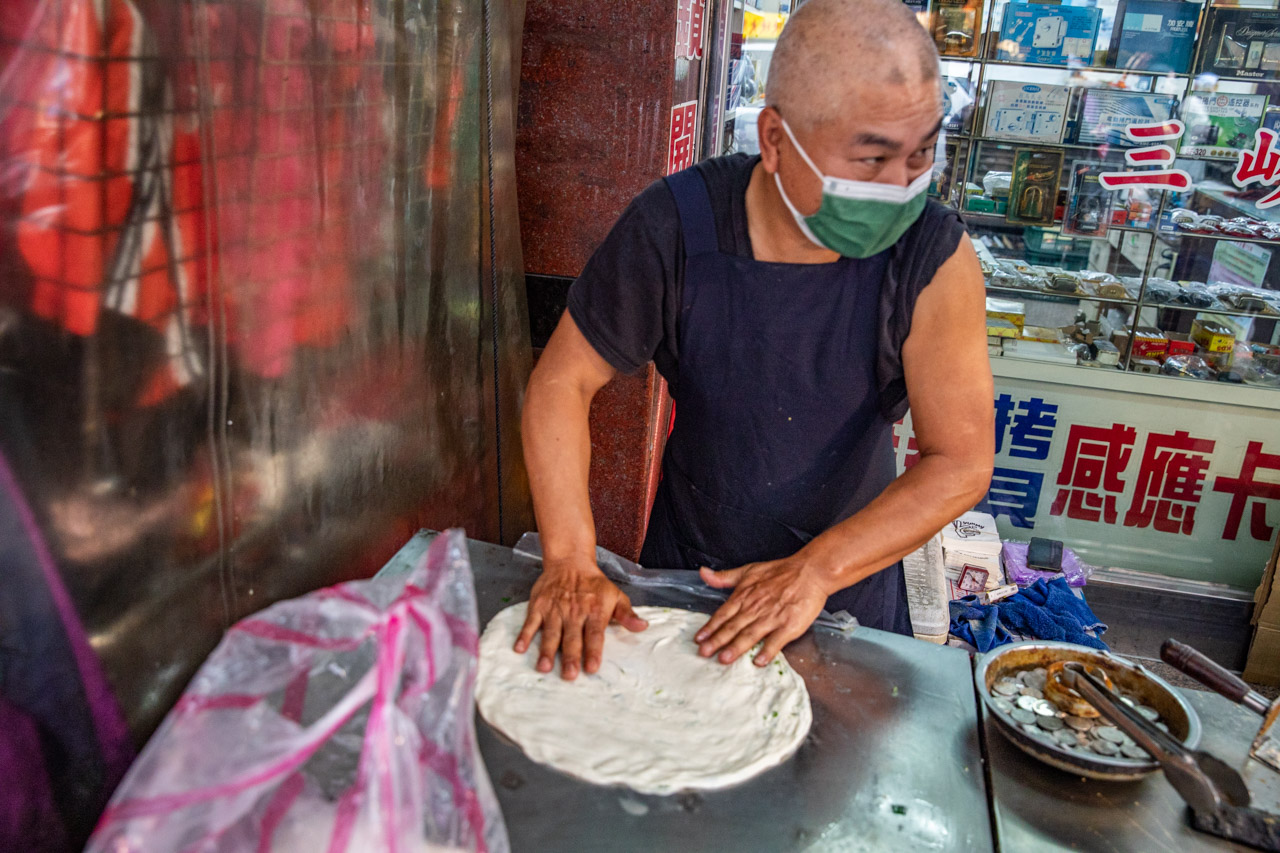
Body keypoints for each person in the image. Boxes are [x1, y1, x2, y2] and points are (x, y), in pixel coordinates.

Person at [516, 0, 995, 680]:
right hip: (692, 579)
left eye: (921, 154)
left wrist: (815, 571)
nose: (901, 187)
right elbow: (563, 381)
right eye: (871, 159)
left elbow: (960, 460)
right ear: (774, 139)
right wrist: (570, 556)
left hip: (848, 594)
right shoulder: (676, 228)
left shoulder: (935, 258)